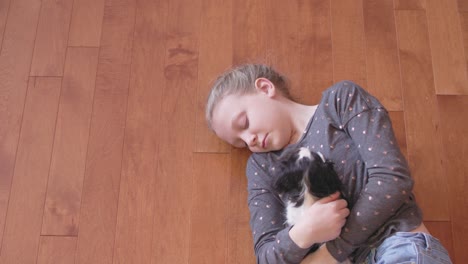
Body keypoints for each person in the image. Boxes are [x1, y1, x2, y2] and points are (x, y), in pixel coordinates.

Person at [205, 64, 452, 264]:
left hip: (398, 246)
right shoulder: (262, 167)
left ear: (265, 87)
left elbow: (392, 181)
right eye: (241, 143)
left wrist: (329, 254)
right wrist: (306, 232)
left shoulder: (340, 102)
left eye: (244, 123)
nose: (250, 140)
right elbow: (267, 256)